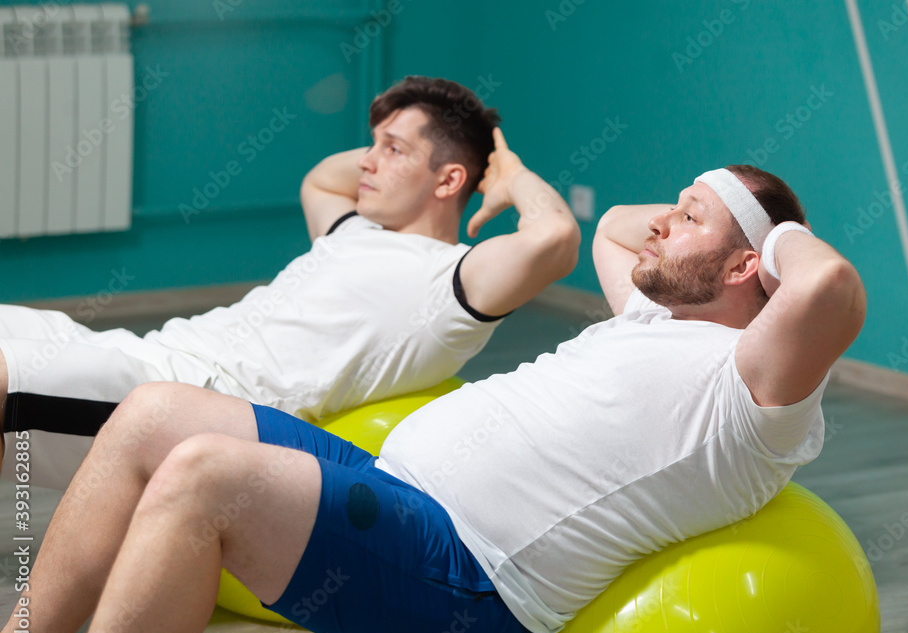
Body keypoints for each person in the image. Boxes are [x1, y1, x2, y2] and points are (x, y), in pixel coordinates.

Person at [0, 165, 866, 633]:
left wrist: (771, 227)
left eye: (689, 219)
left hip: (468, 580)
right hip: (391, 487)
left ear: (752, 263)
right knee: (156, 412)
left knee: (200, 475)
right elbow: (612, 226)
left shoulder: (756, 386)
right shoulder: (652, 317)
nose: (662, 226)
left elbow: (827, 286)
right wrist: (701, 207)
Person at [0, 75, 581, 489]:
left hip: (193, 398)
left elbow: (554, 239)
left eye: (393, 150)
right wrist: (397, 141)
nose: (367, 163)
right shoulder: (355, 229)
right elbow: (319, 181)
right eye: (372, 144)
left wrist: (509, 172)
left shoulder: (451, 282)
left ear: (450, 178)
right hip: (147, 352)